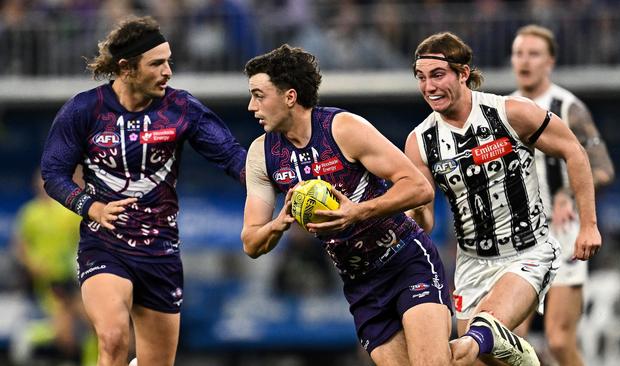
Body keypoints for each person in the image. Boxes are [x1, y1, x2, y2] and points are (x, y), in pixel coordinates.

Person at [40, 15, 247, 366]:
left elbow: (232, 157)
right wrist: (92, 207)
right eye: (157, 63)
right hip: (105, 245)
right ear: (126, 68)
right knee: (114, 338)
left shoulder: (181, 108)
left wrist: (277, 182)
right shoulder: (84, 110)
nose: (168, 71)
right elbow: (53, 173)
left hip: (160, 251)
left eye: (169, 61)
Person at [241, 44, 454, 366]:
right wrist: (280, 222)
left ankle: (487, 345)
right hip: (360, 283)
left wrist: (357, 211)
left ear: (289, 97)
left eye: (259, 95)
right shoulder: (262, 155)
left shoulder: (343, 128)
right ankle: (484, 348)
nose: (250, 106)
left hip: (405, 260)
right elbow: (251, 242)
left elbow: (419, 188)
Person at [404, 32, 601, 365]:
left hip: (527, 253)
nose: (429, 87)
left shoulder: (511, 113)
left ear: (463, 73)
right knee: (472, 358)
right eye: (421, 78)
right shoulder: (420, 142)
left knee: (479, 335)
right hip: (471, 265)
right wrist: (413, 215)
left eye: (438, 75)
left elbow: (574, 150)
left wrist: (589, 225)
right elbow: (424, 219)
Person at [510, 24, 615, 365]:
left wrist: (567, 194)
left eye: (534, 54)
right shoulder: (504, 109)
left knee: (558, 340)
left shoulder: (569, 107)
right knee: (507, 339)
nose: (525, 61)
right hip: (517, 234)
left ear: (550, 61)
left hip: (562, 231)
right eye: (519, 53)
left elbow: (603, 168)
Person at [11, 168, 92, 364]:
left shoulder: (67, 211)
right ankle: (30, 335)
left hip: (70, 279)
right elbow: (19, 247)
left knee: (93, 324)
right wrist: (33, 265)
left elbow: (85, 231)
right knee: (66, 332)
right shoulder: (30, 213)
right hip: (46, 280)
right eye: (41, 181)